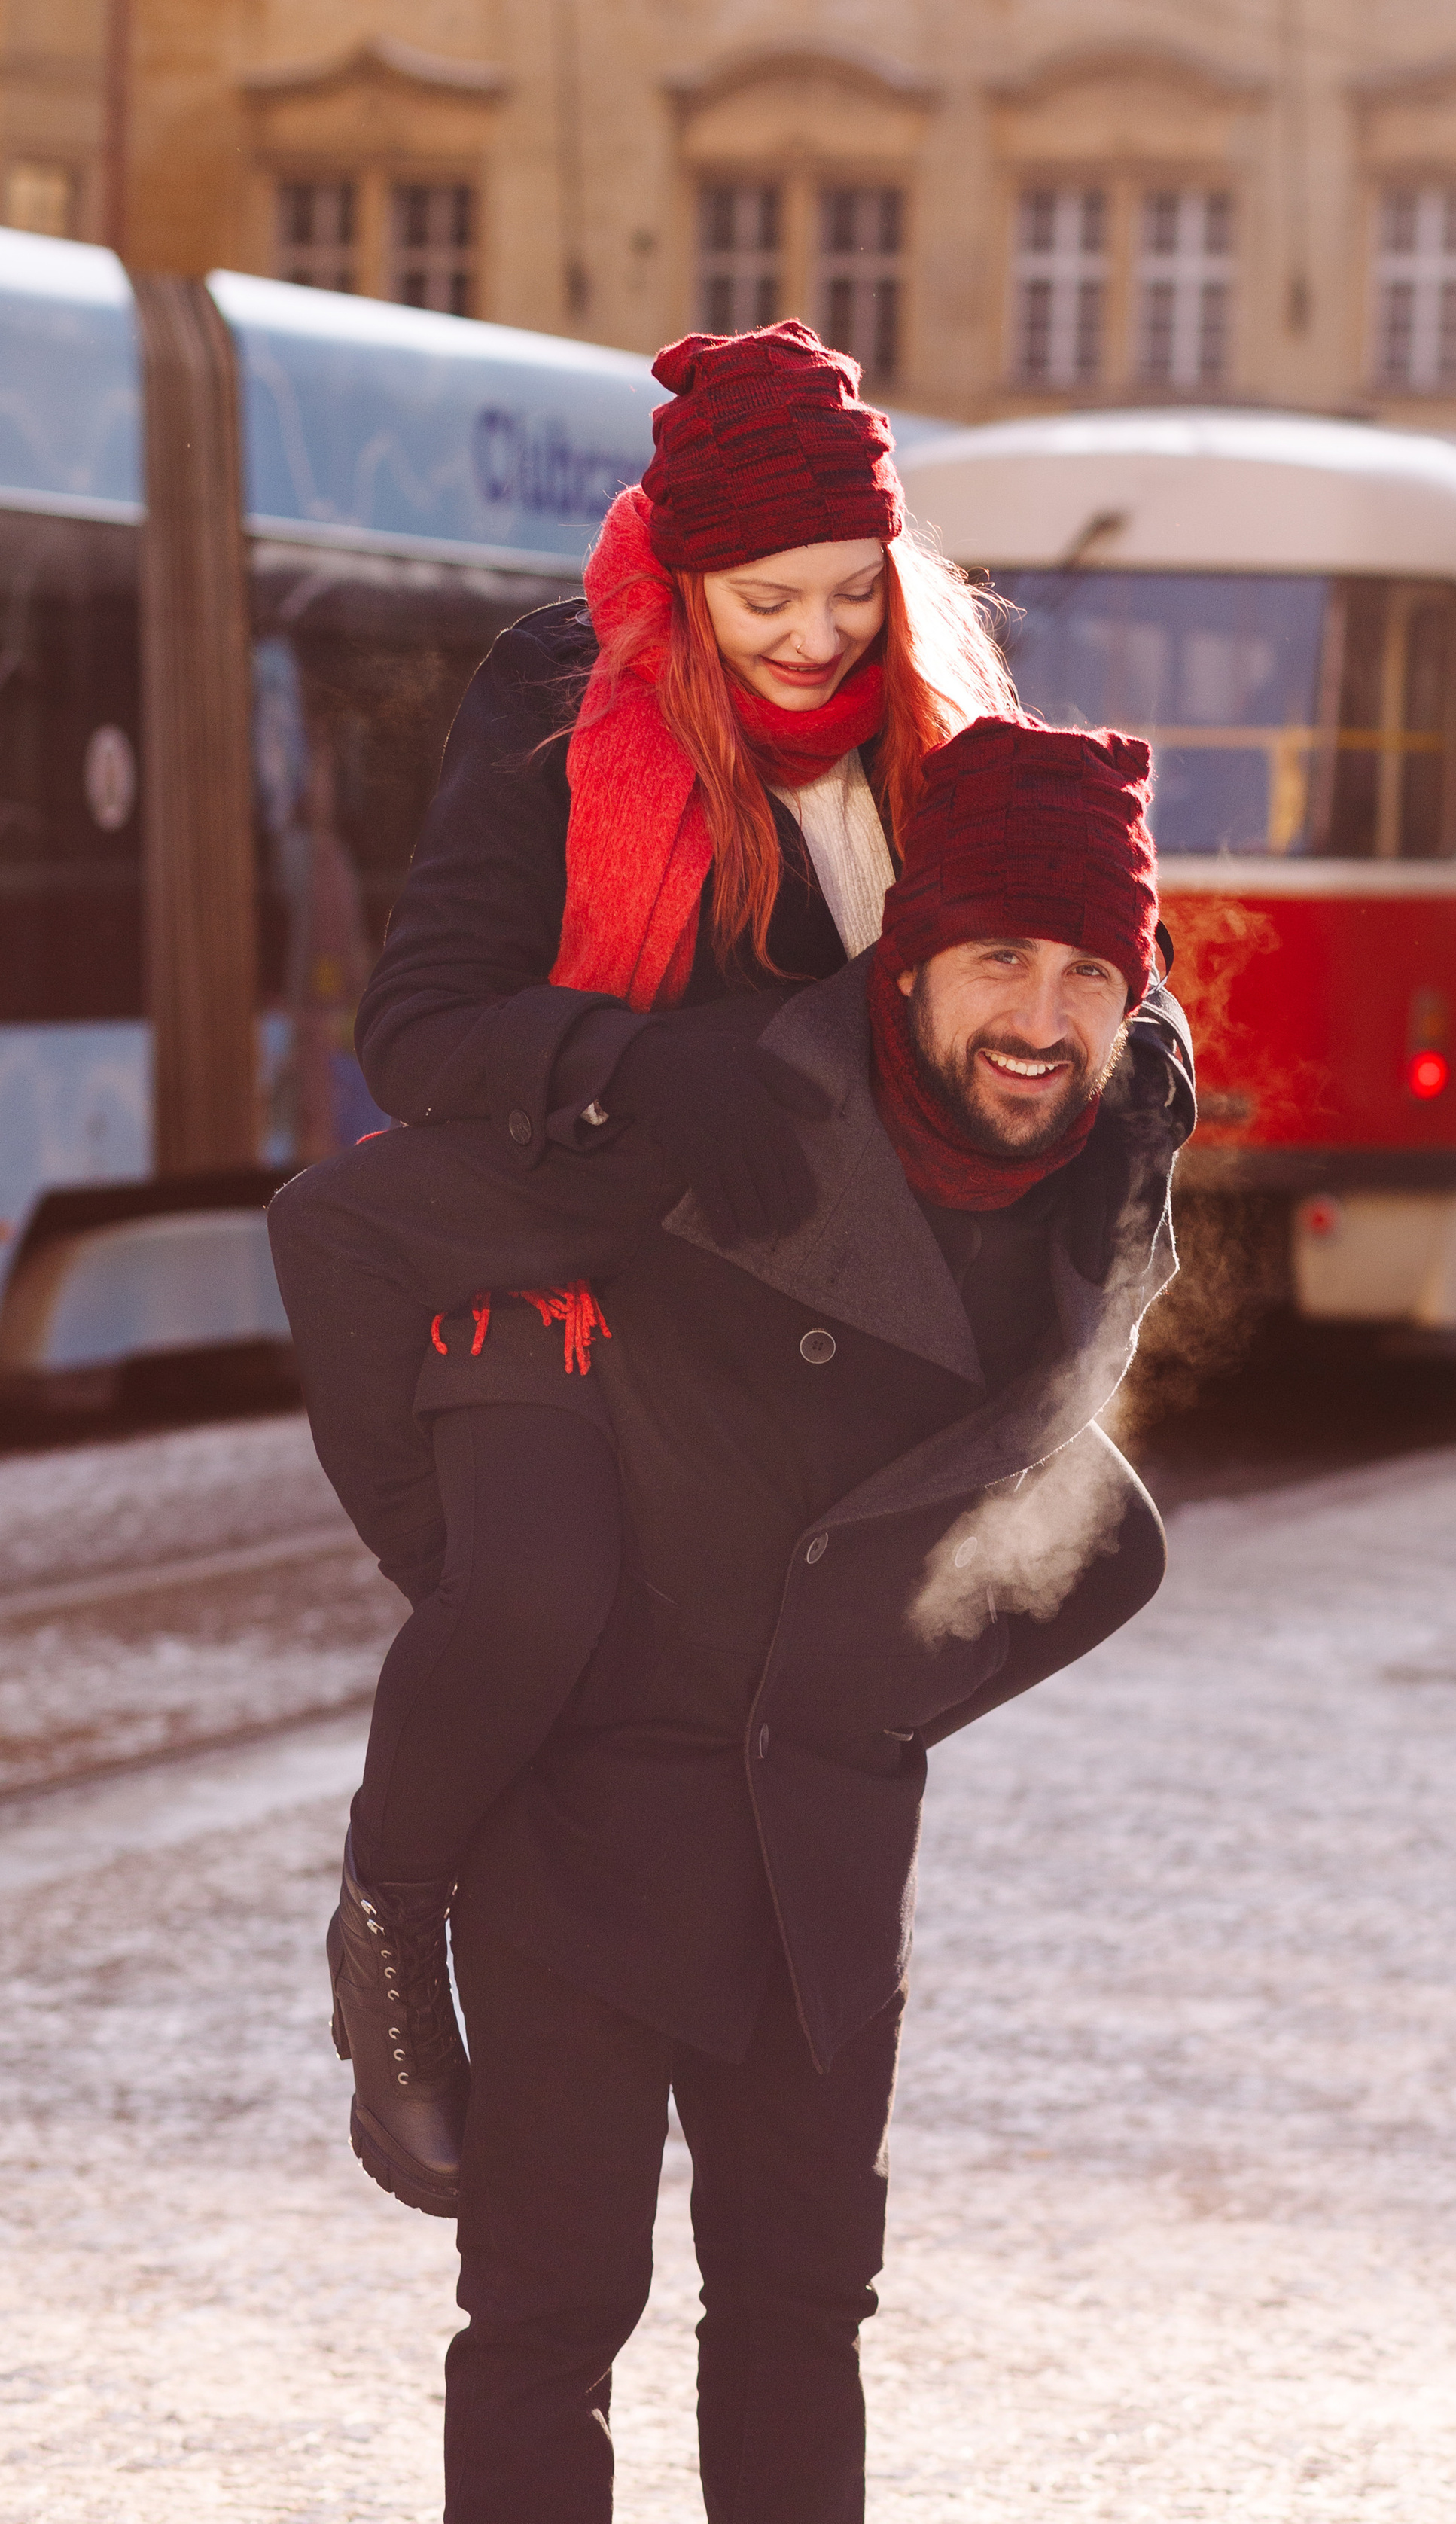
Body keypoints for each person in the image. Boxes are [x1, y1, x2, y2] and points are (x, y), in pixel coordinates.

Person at [269, 715, 1193, 2524]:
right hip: (587, 1831)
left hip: (818, 1865)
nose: (1041, 1015)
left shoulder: (1098, 1167)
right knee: (549, 2320)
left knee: (799, 2317)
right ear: (906, 961)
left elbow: (1104, 1536)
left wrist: (871, 1689)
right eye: (999, 958)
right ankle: (386, 1911)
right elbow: (343, 1237)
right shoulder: (734, 1114)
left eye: (1090, 972)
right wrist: (459, 1575)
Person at [299, 319, 1024, 2213]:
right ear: (683, 573)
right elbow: (417, 1030)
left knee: (871, 1640)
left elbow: (1093, 957)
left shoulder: (942, 721)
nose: (814, 638)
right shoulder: (561, 692)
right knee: (538, 1595)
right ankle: (390, 1922)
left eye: (851, 593)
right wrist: (635, 1064)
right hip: (552, 1245)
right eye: (765, 600)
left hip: (788, 1302)